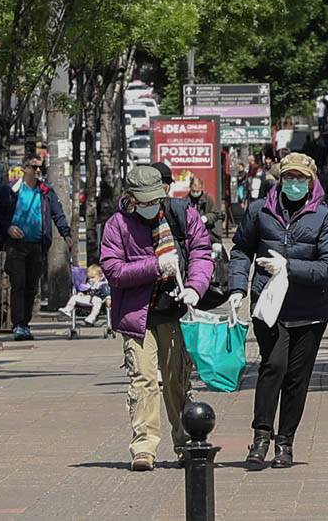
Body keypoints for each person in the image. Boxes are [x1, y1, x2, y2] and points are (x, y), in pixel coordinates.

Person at [229, 152, 328, 470]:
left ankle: (285, 442)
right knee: (273, 366)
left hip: (310, 308)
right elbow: (241, 249)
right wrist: (237, 286)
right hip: (269, 305)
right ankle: (261, 436)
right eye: (289, 177)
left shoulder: (324, 216)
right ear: (280, 179)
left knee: (297, 377)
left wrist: (288, 266)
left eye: (300, 178)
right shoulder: (260, 210)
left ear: (311, 180)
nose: (294, 183)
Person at [100, 166, 214, 472]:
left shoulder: (182, 213)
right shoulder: (117, 225)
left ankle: (186, 443)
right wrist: (155, 266)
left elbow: (201, 252)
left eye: (155, 199)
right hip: (137, 316)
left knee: (177, 380)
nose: (151, 205)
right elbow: (113, 270)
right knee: (143, 380)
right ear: (130, 197)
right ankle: (144, 447)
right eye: (145, 201)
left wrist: (195, 287)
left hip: (174, 311)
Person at [0, 155, 73, 341]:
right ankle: (18, 325)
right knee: (18, 284)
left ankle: (25, 324)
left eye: (40, 167)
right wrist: (8, 228)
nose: (38, 171)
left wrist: (66, 234)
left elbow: (57, 214)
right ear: (24, 169)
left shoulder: (45, 192)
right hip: (16, 246)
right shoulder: (11, 190)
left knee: (31, 287)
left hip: (37, 246)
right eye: (34, 167)